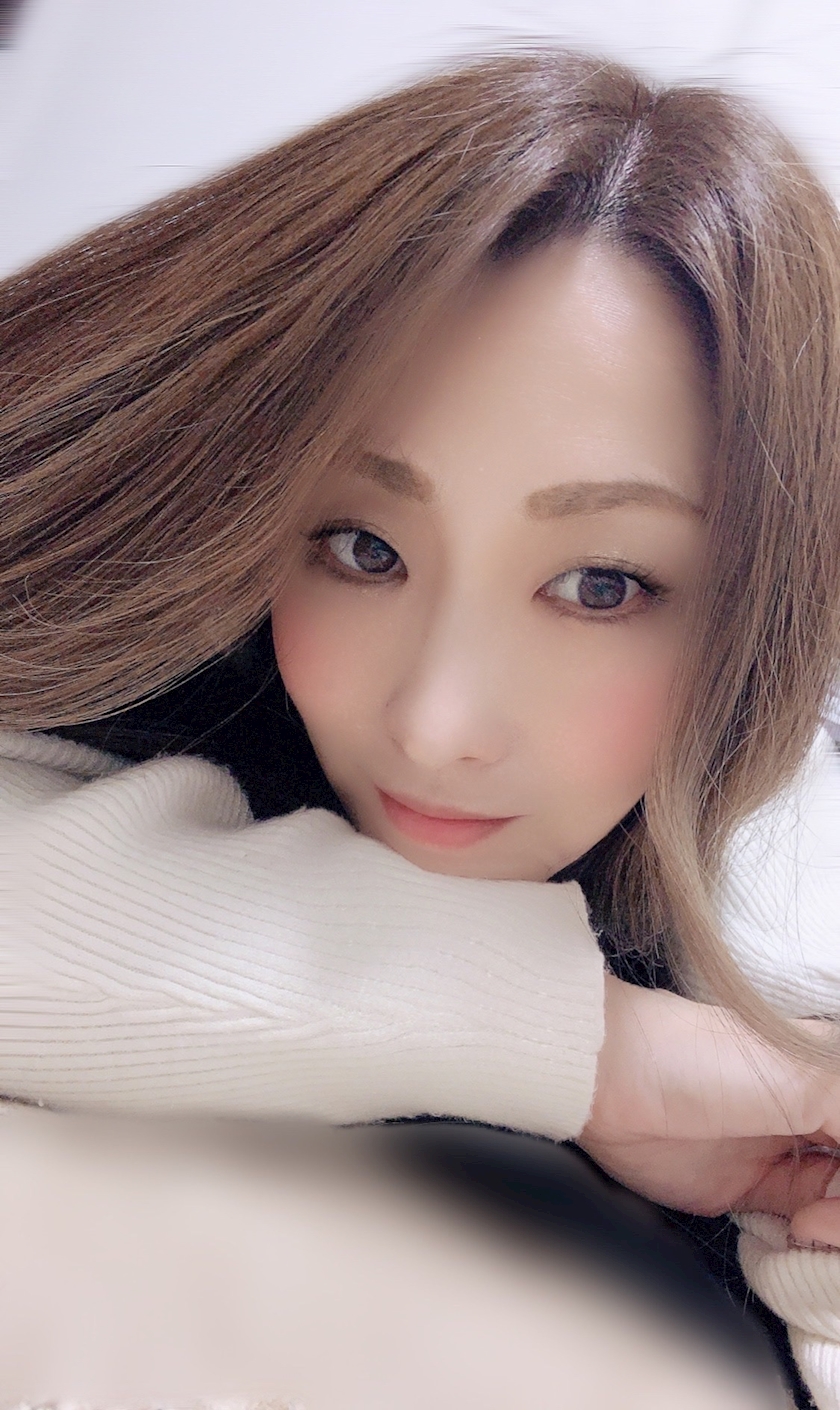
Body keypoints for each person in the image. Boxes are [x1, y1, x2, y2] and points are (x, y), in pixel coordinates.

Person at [2, 46, 840, 1406]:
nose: (438, 722)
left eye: (601, 585)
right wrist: (592, 1050)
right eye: (362, 546)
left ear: (762, 614)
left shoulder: (764, 1071)